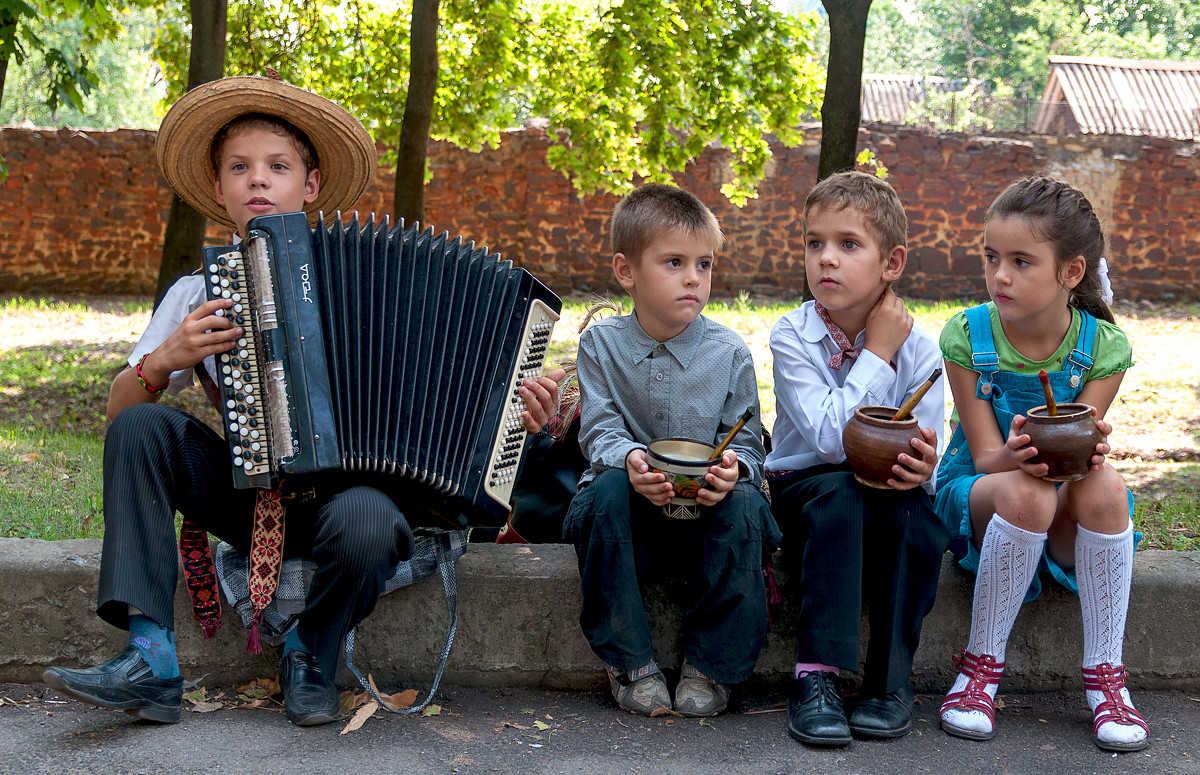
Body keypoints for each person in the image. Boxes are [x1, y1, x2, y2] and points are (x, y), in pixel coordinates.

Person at [41, 76, 561, 727]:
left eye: (277, 167)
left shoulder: (378, 279)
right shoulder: (195, 292)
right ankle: (150, 660)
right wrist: (165, 357)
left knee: (372, 521)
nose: (258, 179)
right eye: (240, 167)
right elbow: (119, 412)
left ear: (308, 185)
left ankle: (310, 650)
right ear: (220, 184)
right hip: (248, 494)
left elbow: (464, 402)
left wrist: (519, 413)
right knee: (145, 428)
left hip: (345, 508)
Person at [935, 177, 1147, 752]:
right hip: (986, 489)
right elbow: (983, 458)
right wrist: (1019, 452)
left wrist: (1089, 450)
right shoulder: (968, 335)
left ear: (1070, 272)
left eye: (1021, 261)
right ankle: (980, 668)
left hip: (1060, 503)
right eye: (992, 258)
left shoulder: (1101, 348)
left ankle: (1106, 675)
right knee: (1028, 492)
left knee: (1105, 486)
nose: (999, 274)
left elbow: (1075, 455)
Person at [563, 183, 780, 718]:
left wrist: (735, 470)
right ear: (626, 272)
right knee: (606, 490)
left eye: (704, 264)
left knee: (749, 506)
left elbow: (748, 442)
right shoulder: (600, 345)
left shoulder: (728, 352)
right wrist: (630, 461)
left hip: (705, 515)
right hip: (629, 515)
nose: (693, 278)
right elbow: (600, 429)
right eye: (674, 262)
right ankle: (631, 663)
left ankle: (712, 666)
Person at [765, 170, 949, 747]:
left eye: (849, 245)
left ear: (891, 262)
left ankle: (889, 683)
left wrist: (923, 468)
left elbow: (927, 443)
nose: (827, 260)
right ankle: (815, 677)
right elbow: (825, 439)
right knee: (843, 489)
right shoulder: (791, 335)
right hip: (807, 494)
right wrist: (877, 352)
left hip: (886, 495)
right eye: (815, 243)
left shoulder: (921, 349)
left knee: (918, 518)